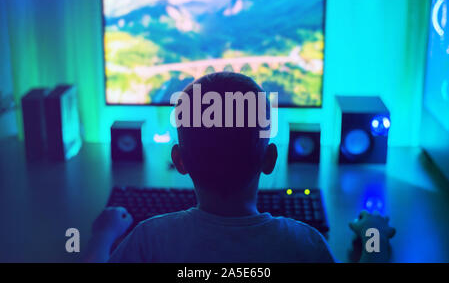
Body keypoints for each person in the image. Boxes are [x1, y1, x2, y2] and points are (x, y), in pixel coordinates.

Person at [84, 72, 395, 263]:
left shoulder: (150, 238)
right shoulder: (303, 243)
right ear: (270, 159)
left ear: (179, 161)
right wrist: (374, 234)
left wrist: (102, 235)